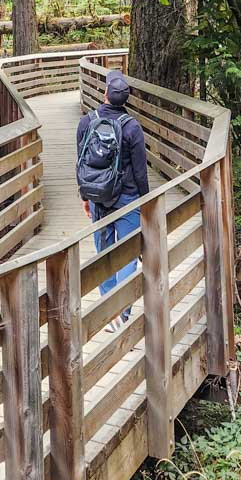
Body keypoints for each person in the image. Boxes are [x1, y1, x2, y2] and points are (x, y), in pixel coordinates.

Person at [76, 68, 149, 332]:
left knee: (104, 250)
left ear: (105, 94)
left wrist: (85, 196)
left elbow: (81, 164)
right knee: (127, 252)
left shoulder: (87, 121)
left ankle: (108, 307)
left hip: (99, 196)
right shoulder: (132, 127)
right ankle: (122, 312)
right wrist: (146, 200)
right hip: (128, 197)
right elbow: (140, 171)